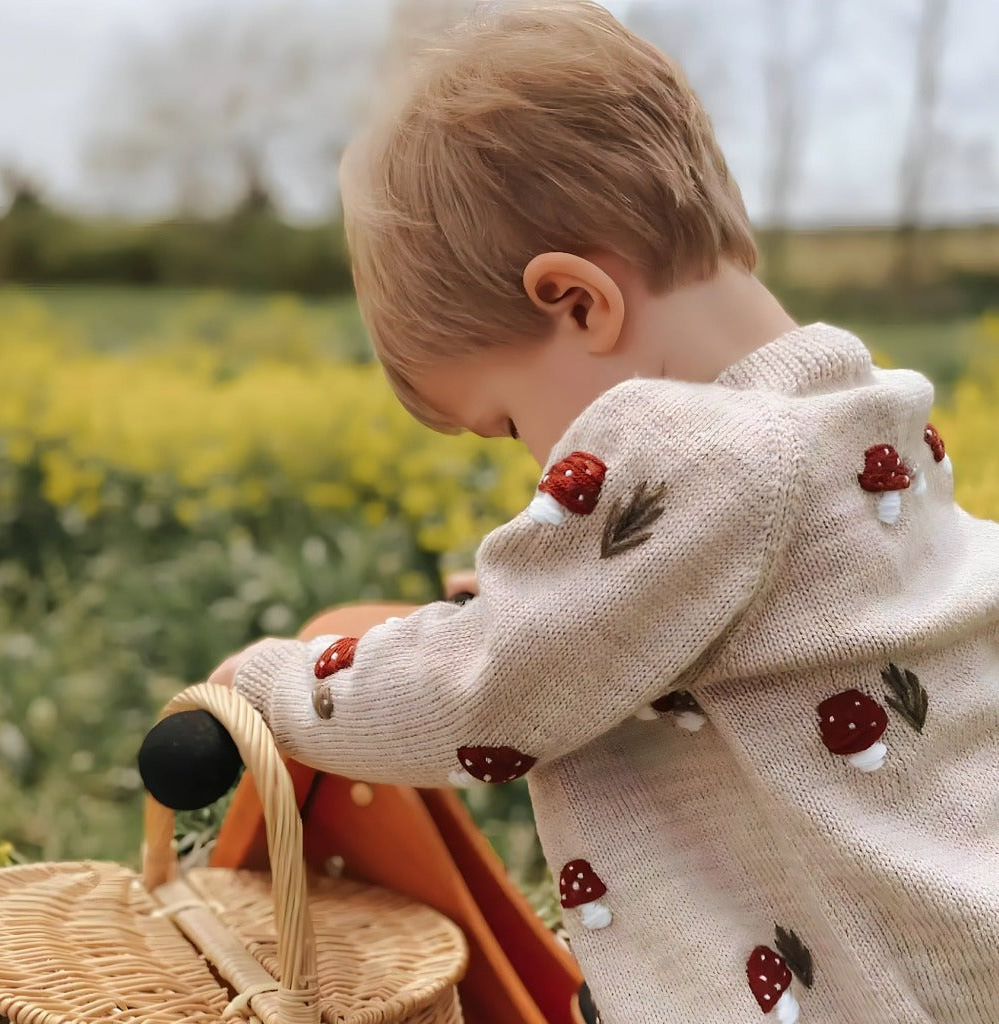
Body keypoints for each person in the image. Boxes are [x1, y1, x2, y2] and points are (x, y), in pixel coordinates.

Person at [209, 2, 999, 1021]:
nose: (537, 461)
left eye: (505, 421)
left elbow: (487, 695)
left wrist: (271, 689)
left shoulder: (694, 452)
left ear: (577, 301)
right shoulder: (869, 426)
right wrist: (565, 589)